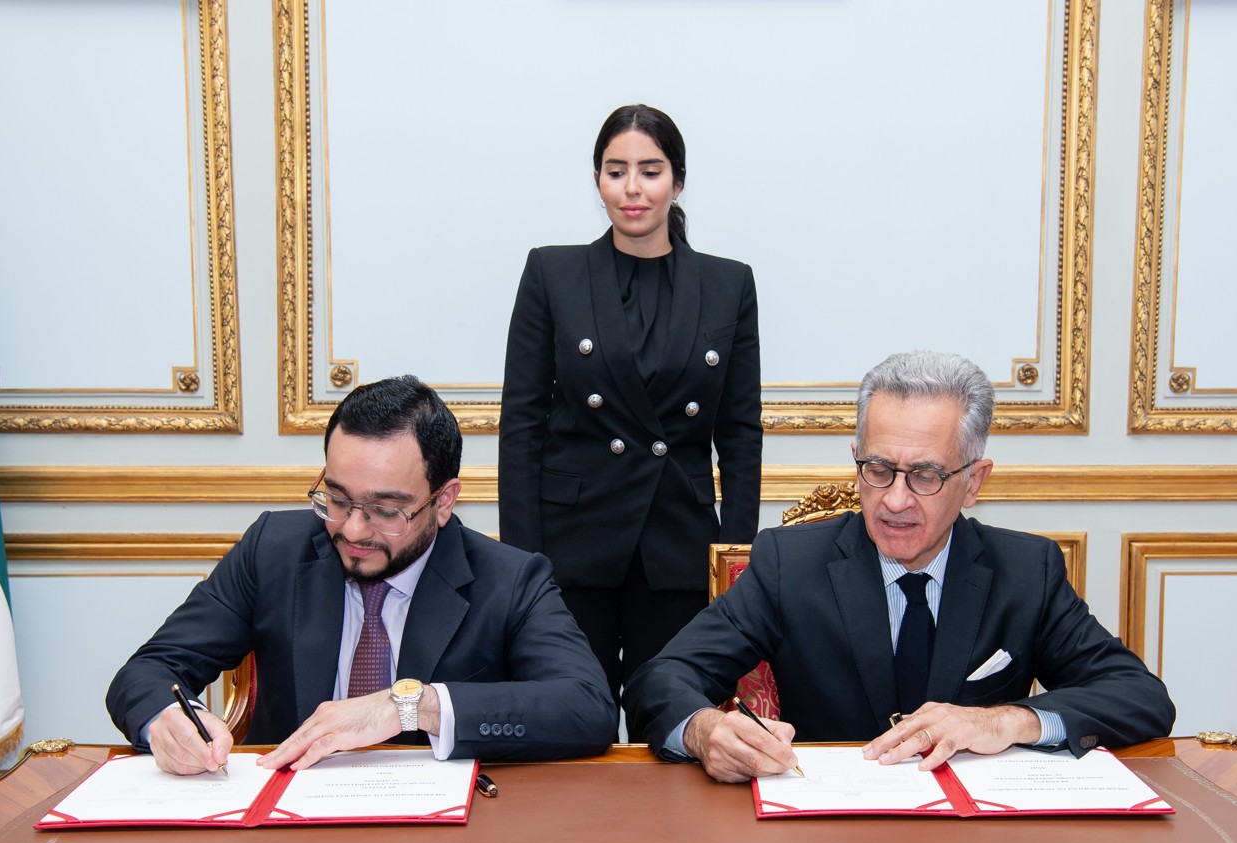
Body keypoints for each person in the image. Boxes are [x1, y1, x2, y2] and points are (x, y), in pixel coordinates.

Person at [626, 351, 1176, 783]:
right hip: (828, 840)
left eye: (926, 476)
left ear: (974, 482)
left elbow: (1139, 695)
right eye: (879, 469)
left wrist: (1006, 720)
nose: (894, 500)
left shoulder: (1026, 571)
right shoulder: (789, 563)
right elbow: (660, 678)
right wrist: (704, 730)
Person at [108, 375, 617, 774]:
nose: (352, 529)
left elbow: (588, 707)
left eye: (385, 510)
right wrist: (167, 722)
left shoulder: (509, 580)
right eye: (336, 498)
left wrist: (411, 706)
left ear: (443, 501)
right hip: (288, 834)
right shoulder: (273, 550)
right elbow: (149, 670)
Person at [499, 103, 761, 733]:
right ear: (597, 181)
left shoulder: (728, 284)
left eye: (650, 170)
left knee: (673, 725)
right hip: (571, 546)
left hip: (678, 547)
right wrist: (522, 564)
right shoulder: (553, 273)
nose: (632, 188)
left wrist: (733, 556)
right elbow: (522, 425)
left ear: (678, 181)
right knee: (567, 723)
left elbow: (740, 433)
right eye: (616, 172)